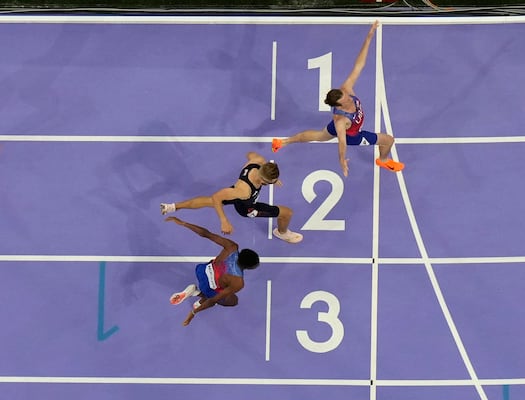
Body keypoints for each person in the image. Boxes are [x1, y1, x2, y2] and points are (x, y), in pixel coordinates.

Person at [271, 21, 404, 177]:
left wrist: (368, 38)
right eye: (345, 98)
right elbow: (342, 142)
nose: (348, 95)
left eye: (346, 94)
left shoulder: (345, 89)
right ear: (339, 105)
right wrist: (342, 160)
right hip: (353, 135)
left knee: (319, 136)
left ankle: (281, 142)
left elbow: (358, 66)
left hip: (340, 129)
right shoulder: (341, 120)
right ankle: (382, 160)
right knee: (388, 140)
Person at [160, 151, 302, 243]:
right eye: (270, 182)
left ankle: (173, 206)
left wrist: (273, 178)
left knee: (207, 201)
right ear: (263, 180)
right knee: (287, 213)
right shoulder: (243, 191)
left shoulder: (258, 161)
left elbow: (249, 154)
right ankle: (282, 232)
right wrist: (224, 221)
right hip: (247, 207)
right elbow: (217, 198)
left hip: (237, 191)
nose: (272, 184)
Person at [165, 216, 260, 327]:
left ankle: (195, 291)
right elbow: (214, 300)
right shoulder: (238, 282)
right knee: (233, 300)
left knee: (218, 286)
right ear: (248, 267)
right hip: (208, 287)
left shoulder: (232, 247)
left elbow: (206, 233)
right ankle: (200, 295)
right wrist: (193, 313)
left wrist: (183, 223)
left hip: (201, 270)